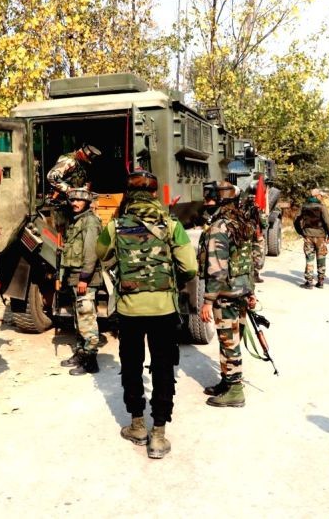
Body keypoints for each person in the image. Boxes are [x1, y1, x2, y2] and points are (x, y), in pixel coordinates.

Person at [96, 171, 197, 460]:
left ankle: (137, 425)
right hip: (163, 309)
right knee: (164, 368)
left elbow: (101, 253)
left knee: (131, 365)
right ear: (155, 194)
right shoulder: (170, 224)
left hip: (129, 309)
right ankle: (159, 434)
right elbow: (189, 267)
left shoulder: (116, 224)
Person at [199, 181, 256, 408]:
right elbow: (248, 259)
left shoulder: (220, 227)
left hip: (226, 293)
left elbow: (217, 267)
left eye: (209, 198)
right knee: (232, 338)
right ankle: (227, 381)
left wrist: (207, 300)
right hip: (241, 289)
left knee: (228, 340)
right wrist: (251, 290)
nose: (206, 202)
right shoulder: (241, 222)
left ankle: (235, 390)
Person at [59, 187, 103, 375]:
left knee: (86, 318)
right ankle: (81, 352)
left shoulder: (90, 222)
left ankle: (90, 361)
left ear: (87, 202)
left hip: (85, 278)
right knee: (79, 319)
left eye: (79, 200)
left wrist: (84, 278)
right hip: (74, 277)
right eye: (73, 200)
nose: (75, 203)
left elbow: (91, 253)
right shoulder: (77, 221)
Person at [294, 188, 329, 289]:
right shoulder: (322, 207)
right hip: (320, 236)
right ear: (317, 196)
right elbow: (327, 222)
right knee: (321, 257)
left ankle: (309, 282)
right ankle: (320, 281)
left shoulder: (304, 206)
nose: (321, 197)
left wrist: (301, 232)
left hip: (308, 235)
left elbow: (296, 220)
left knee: (309, 258)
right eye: (320, 195)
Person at [242, 186, 268, 283]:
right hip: (256, 235)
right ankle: (255, 275)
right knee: (257, 255)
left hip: (246, 234)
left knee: (246, 254)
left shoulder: (243, 207)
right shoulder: (258, 208)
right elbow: (264, 223)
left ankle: (246, 275)